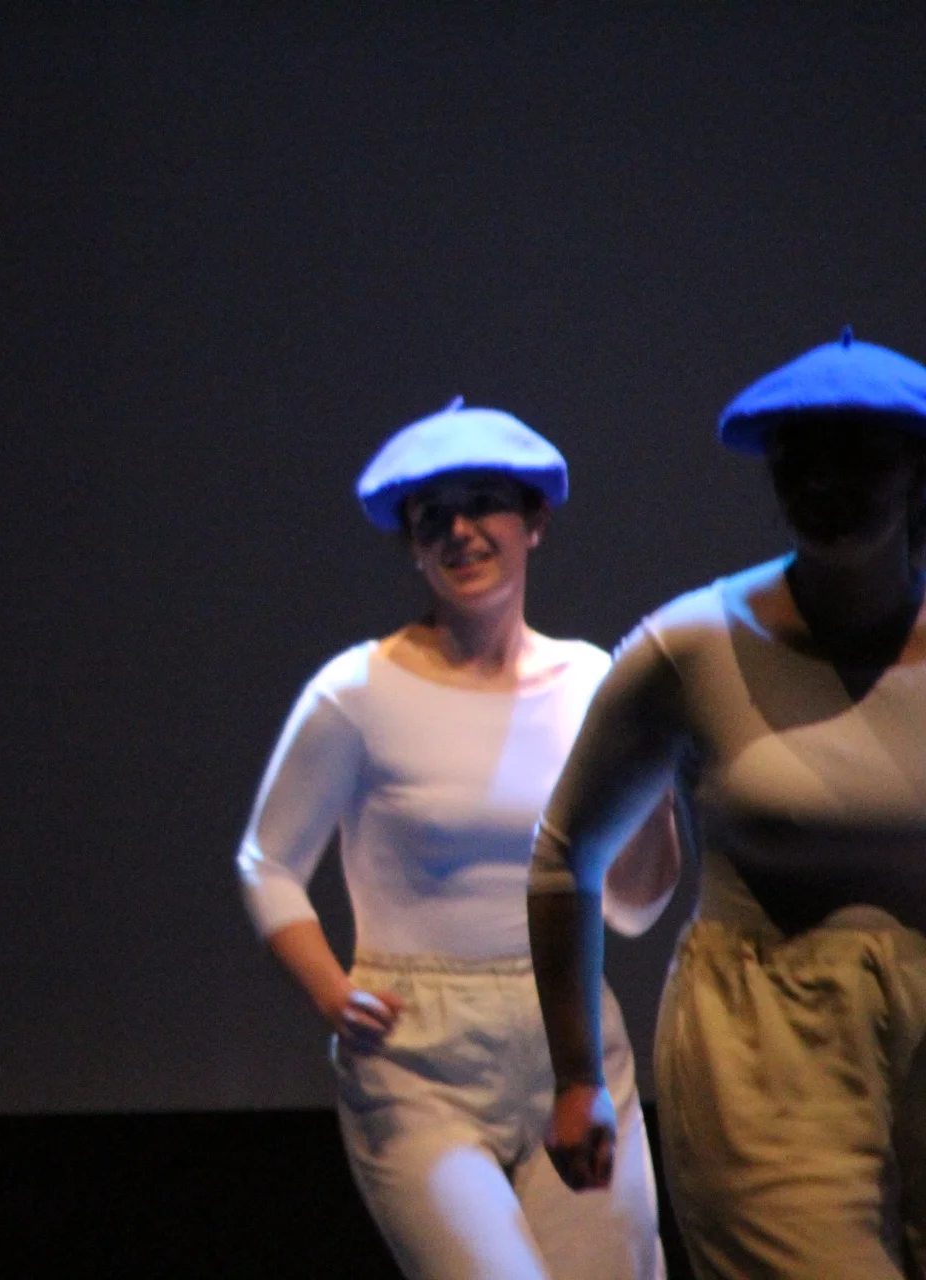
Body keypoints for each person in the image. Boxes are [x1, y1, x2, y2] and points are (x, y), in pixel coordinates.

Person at [237, 399, 675, 1280]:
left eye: (483, 505)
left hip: (570, 1038)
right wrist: (329, 990)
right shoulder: (357, 690)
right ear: (411, 541)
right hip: (417, 1055)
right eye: (432, 515)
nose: (460, 531)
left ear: (534, 522)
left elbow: (633, 908)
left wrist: (655, 788)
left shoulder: (591, 681)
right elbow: (268, 861)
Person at [530, 329, 926, 1280]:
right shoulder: (695, 646)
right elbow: (565, 855)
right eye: (799, 462)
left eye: (858, 460)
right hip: (765, 1048)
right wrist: (578, 1077)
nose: (824, 485)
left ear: (916, 473)